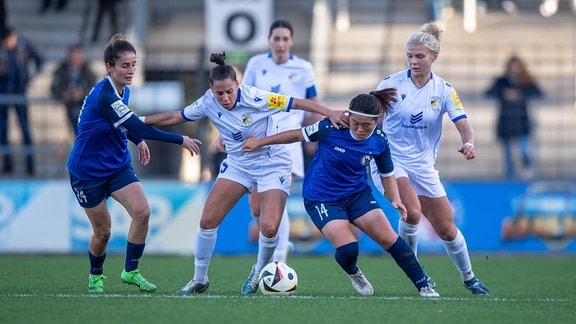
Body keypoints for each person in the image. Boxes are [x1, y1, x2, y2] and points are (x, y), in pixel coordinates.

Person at [141, 52, 348, 295]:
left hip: (273, 162)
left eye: (230, 91)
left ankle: (259, 270)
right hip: (239, 164)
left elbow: (298, 102)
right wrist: (138, 121)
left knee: (269, 227)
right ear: (212, 90)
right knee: (208, 221)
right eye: (220, 93)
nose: (226, 97)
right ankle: (199, 279)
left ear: (238, 85)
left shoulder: (256, 97)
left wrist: (330, 113)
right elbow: (177, 116)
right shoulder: (208, 101)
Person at [242, 89, 440, 297]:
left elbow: (387, 173)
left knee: (390, 239)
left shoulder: (380, 140)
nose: (361, 129)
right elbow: (295, 134)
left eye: (367, 125)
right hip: (322, 198)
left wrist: (396, 199)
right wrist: (260, 142)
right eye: (356, 123)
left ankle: (423, 285)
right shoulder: (331, 126)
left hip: (357, 195)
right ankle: (353, 271)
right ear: (349, 116)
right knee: (348, 249)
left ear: (377, 121)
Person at [66, 34, 202, 294]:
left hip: (116, 164)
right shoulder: (105, 95)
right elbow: (135, 124)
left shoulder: (122, 90)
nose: (130, 71)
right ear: (109, 67)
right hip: (87, 171)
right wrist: (180, 139)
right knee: (103, 231)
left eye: (133, 64)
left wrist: (137, 140)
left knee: (142, 212)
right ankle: (96, 276)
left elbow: (124, 126)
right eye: (125, 65)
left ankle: (130, 271)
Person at [372, 23, 491, 295]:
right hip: (390, 161)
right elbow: (372, 117)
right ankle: (417, 275)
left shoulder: (444, 89)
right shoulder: (390, 85)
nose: (413, 61)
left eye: (419, 56)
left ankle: (470, 278)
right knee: (412, 212)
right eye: (410, 56)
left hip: (423, 165)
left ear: (434, 57)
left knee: (447, 229)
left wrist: (468, 143)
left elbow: (462, 122)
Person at [240, 19, 321, 263]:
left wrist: (314, 135)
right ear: (269, 41)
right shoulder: (256, 63)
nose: (281, 43)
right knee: (257, 208)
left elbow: (313, 102)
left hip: (289, 139)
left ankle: (279, 260)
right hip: (259, 138)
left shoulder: (304, 67)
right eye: (276, 38)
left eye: (285, 39)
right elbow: (242, 100)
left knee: (278, 200)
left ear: (292, 41)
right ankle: (279, 241)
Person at [485, 55, 542, 180]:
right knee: (508, 154)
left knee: (524, 151)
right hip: (506, 121)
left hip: (522, 121)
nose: (515, 69)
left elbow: (539, 93)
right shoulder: (502, 81)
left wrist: (520, 94)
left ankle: (527, 174)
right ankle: (510, 177)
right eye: (512, 66)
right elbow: (488, 92)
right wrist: (504, 93)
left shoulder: (527, 81)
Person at [0, 27, 43, 175]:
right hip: (3, 93)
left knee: (25, 129)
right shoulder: (2, 48)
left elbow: (39, 59)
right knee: (3, 129)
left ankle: (30, 165)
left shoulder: (24, 46)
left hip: (19, 92)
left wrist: (30, 75)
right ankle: (8, 164)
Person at [51, 44, 98, 136]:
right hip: (69, 106)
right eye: (72, 58)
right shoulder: (61, 70)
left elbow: (94, 87)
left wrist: (82, 93)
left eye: (77, 58)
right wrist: (64, 94)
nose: (74, 60)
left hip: (86, 108)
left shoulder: (88, 71)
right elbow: (55, 87)